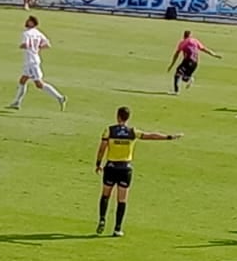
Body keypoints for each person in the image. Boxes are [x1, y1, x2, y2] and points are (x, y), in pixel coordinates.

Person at [93, 106, 182, 237]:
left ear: (117, 116)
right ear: (128, 118)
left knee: (105, 195)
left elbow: (102, 149)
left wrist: (98, 163)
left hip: (111, 167)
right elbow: (150, 135)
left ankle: (102, 218)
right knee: (121, 199)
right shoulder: (132, 132)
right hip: (125, 169)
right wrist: (168, 137)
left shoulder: (109, 131)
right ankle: (117, 228)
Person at [9, 16, 67, 110]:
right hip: (34, 59)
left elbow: (26, 44)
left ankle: (60, 97)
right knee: (23, 80)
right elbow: (47, 44)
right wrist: (37, 48)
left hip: (30, 61)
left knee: (39, 84)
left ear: (32, 23)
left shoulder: (26, 34)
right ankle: (17, 102)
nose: (26, 21)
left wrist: (23, 47)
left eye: (29, 21)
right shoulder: (38, 33)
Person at [167, 29, 221, 94]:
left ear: (184, 36)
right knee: (184, 78)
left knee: (178, 73)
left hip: (188, 61)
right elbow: (204, 49)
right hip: (195, 63)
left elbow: (177, 54)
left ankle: (176, 91)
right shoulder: (195, 41)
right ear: (190, 35)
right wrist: (214, 54)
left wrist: (171, 65)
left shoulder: (183, 42)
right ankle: (189, 78)